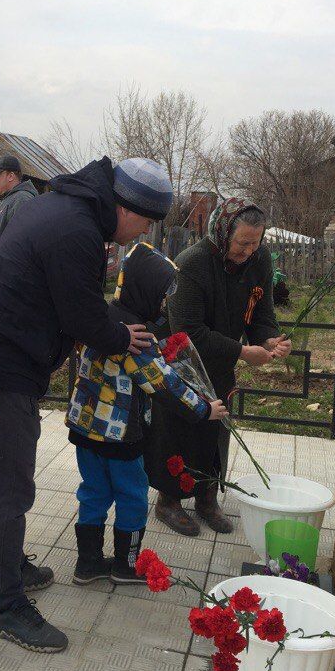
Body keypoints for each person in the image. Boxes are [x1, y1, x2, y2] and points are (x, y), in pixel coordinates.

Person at [0, 156, 169, 653]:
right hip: (2, 363)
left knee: (2, 479)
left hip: (7, 352)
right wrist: (121, 334)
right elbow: (79, 312)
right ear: (127, 207)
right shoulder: (76, 229)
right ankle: (4, 605)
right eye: (146, 221)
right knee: (9, 485)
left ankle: (7, 566)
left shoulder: (67, 206)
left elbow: (67, 300)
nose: (144, 233)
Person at [67, 242, 228, 586]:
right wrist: (204, 409)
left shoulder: (101, 319)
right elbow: (164, 384)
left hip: (85, 429)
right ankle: (126, 565)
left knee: (93, 492)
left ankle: (89, 563)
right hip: (120, 436)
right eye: (161, 296)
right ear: (146, 292)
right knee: (132, 496)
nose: (163, 304)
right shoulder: (136, 337)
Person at [145, 198, 292, 537]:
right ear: (223, 232)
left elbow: (261, 313)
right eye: (242, 243)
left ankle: (207, 497)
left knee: (216, 428)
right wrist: (243, 351)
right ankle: (169, 500)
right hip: (181, 361)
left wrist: (270, 340)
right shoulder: (191, 264)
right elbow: (188, 331)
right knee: (179, 426)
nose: (248, 250)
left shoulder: (260, 259)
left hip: (222, 360)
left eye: (255, 243)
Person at [0, 155, 37, 263]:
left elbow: (23, 244)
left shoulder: (22, 199)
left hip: (6, 276)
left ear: (11, 176)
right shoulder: (9, 199)